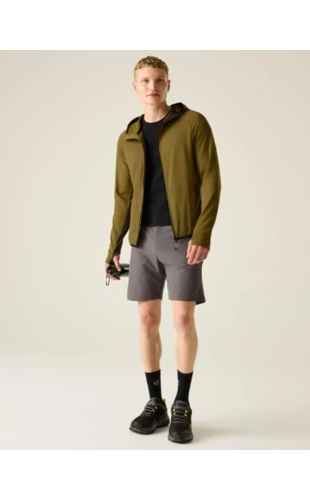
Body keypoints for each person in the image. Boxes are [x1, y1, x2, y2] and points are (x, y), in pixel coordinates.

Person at [104, 56, 221, 444]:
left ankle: (182, 404)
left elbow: (211, 180)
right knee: (146, 321)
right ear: (135, 87)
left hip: (182, 237)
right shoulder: (128, 137)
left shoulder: (193, 124)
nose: (151, 86)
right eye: (144, 80)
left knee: (183, 320)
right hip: (142, 241)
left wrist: (202, 233)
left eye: (158, 80)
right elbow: (122, 195)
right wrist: (113, 246)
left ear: (168, 84)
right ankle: (156, 403)